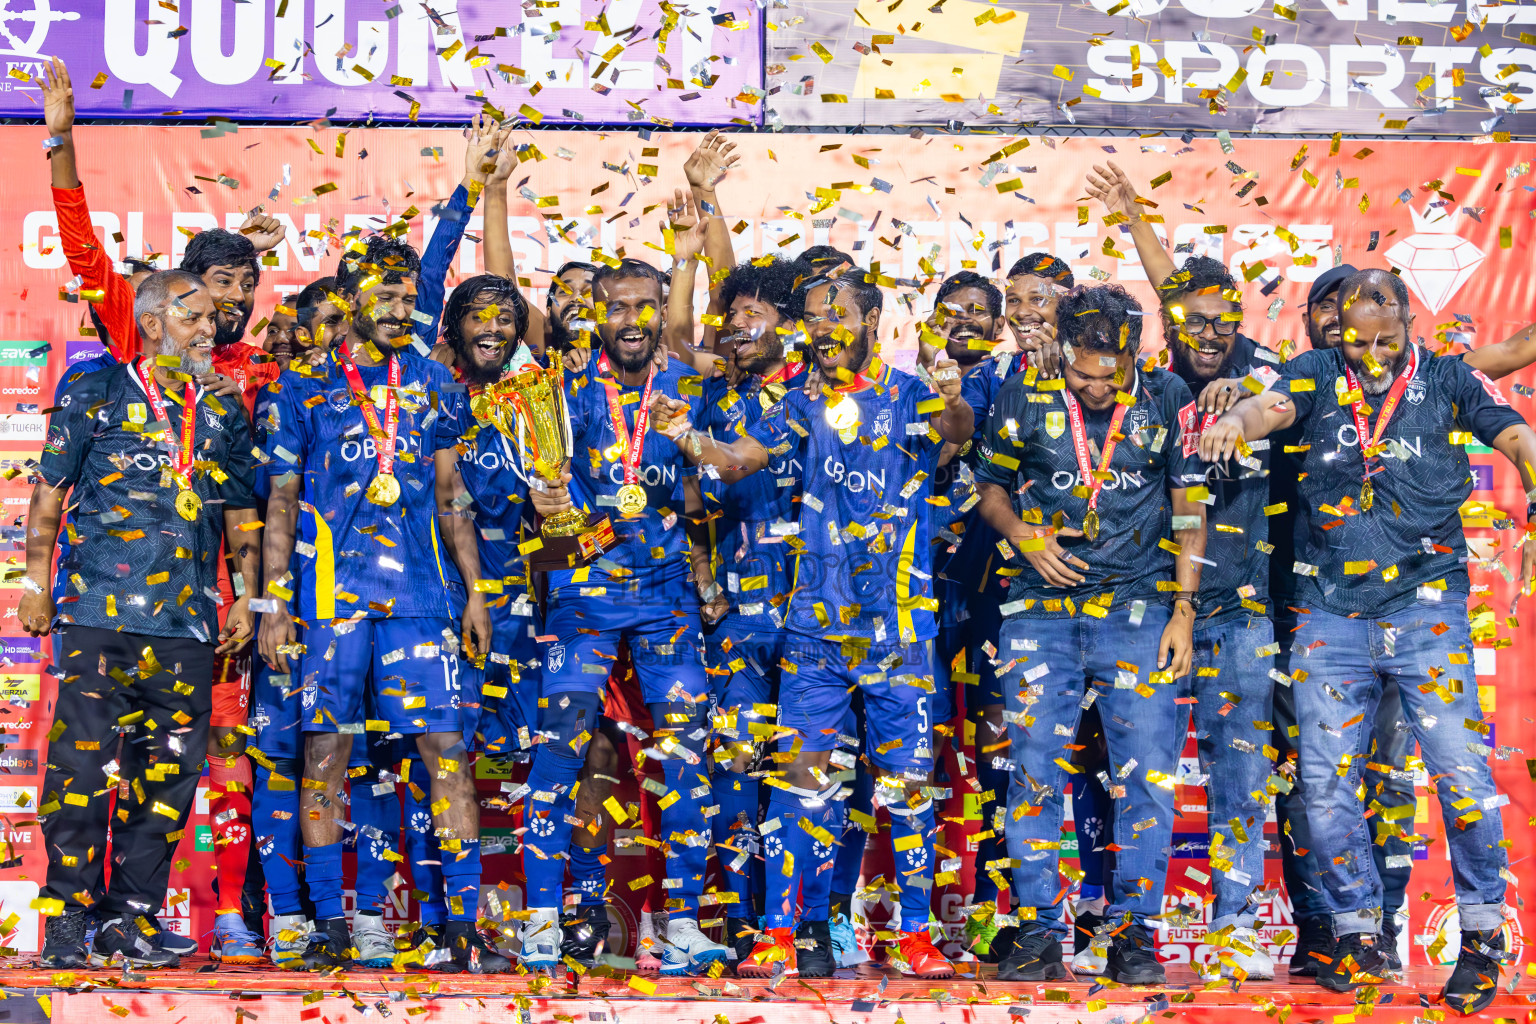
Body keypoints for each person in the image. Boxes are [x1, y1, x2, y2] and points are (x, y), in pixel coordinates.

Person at [1198, 268, 1535, 1012]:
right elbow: (1271, 407)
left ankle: (1482, 937)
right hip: (1329, 613)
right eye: (1359, 329)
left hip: (1426, 607)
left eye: (1386, 327)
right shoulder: (1317, 371)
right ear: (1340, 327)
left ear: (1409, 323)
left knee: (1459, 772)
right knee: (1323, 784)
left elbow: (1508, 428)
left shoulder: (1447, 375)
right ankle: (1357, 933)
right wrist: (1237, 420)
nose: (1372, 344)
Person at [646, 270, 975, 980]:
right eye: (815, 318)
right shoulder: (797, 404)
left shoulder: (913, 395)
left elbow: (956, 436)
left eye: (838, 315)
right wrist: (686, 436)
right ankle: (776, 932)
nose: (824, 329)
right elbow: (736, 464)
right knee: (803, 788)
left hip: (900, 630)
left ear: (870, 321)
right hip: (813, 633)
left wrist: (951, 398)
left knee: (906, 787)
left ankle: (916, 934)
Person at [256, 235, 510, 974]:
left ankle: (463, 928)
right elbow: (278, 503)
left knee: (447, 755)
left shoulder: (434, 382)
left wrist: (476, 594)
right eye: (387, 297)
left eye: (410, 297)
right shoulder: (299, 387)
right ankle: (332, 924)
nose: (402, 309)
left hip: (424, 599)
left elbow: (451, 494)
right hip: (330, 601)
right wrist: (274, 604)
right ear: (351, 300)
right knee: (326, 755)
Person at [975, 283, 1207, 986]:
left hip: (1138, 614)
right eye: (1080, 373)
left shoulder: (1169, 399)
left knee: (1145, 779)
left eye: (1108, 376)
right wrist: (1021, 534)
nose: (1094, 388)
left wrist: (1185, 611)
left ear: (1134, 353)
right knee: (1034, 773)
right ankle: (1041, 929)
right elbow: (990, 489)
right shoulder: (1028, 394)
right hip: (1037, 612)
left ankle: (1134, 934)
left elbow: (1189, 507)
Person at [26, 271, 260, 968]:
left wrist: (248, 594)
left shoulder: (220, 407)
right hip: (97, 612)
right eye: (196, 319)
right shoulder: (93, 385)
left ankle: (130, 914)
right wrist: (33, 584)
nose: (211, 330)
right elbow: (48, 493)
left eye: (215, 319)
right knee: (80, 770)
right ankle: (68, 916)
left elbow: (241, 514)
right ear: (155, 323)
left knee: (168, 776)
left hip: (187, 623)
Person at [515, 257, 728, 978]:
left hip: (668, 598)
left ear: (662, 309)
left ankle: (681, 926)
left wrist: (701, 568)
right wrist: (549, 512)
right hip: (583, 599)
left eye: (645, 307)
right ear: (595, 313)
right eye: (616, 308)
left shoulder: (692, 386)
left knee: (686, 760)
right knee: (560, 751)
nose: (630, 321)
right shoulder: (560, 390)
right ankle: (542, 925)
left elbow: (714, 483)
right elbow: (544, 517)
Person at [691, 255, 807, 969]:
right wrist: (705, 573)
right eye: (729, 318)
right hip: (738, 616)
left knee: (805, 772)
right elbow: (690, 496)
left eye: (751, 316)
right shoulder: (713, 398)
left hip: (816, 620)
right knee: (735, 764)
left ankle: (794, 925)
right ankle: (738, 917)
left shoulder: (825, 396)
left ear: (789, 328)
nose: (736, 329)